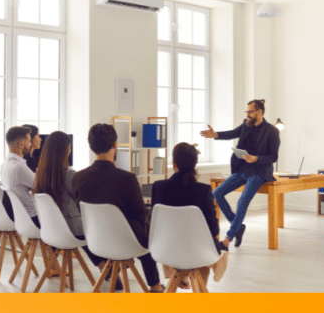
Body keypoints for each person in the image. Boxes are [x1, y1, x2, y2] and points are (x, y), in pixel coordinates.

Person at [71, 123, 164, 293]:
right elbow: (140, 212)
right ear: (115, 145)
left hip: (96, 241)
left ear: (91, 145)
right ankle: (155, 286)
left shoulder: (78, 177)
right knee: (147, 230)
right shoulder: (127, 178)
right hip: (127, 242)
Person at [200, 99, 280, 249]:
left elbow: (274, 157)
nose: (248, 114)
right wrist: (215, 135)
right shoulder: (246, 125)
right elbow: (232, 133)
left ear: (260, 112)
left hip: (258, 172)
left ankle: (227, 239)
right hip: (242, 170)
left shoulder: (272, 131)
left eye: (251, 111)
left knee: (242, 202)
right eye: (247, 111)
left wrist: (256, 158)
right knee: (217, 193)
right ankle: (238, 227)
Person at [151, 143, 228, 288]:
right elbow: (213, 230)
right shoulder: (203, 191)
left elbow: (153, 224)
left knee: (194, 246)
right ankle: (198, 289)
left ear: (173, 163)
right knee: (208, 245)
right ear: (196, 163)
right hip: (197, 253)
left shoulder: (158, 187)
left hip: (166, 251)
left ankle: (180, 275)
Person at [32, 131, 106, 270]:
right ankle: (107, 268)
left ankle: (53, 266)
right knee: (98, 226)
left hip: (50, 229)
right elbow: (85, 199)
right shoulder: (69, 174)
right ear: (66, 150)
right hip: (71, 230)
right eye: (69, 147)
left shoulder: (40, 174)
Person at [0, 126, 40, 228]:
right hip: (32, 218)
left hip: (21, 215)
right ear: (21, 144)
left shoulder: (6, 164)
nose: (30, 144)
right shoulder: (19, 167)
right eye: (29, 141)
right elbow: (41, 185)